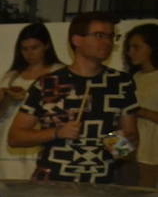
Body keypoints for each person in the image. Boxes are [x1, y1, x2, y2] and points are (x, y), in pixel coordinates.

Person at [8, 12, 139, 183]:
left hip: (101, 185)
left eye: (111, 36)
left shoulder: (121, 83)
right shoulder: (48, 83)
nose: (107, 42)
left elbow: (130, 141)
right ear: (77, 40)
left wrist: (109, 143)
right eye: (99, 35)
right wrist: (56, 133)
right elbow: (15, 137)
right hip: (52, 183)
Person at [0, 24, 59, 180]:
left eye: (34, 48)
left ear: (46, 46)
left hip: (43, 146)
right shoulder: (12, 76)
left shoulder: (59, 73)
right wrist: (8, 98)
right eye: (24, 49)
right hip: (9, 150)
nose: (29, 54)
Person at [124, 22, 158, 187]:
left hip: (152, 155)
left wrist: (140, 111)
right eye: (129, 47)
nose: (130, 52)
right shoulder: (132, 77)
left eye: (136, 47)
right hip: (128, 153)